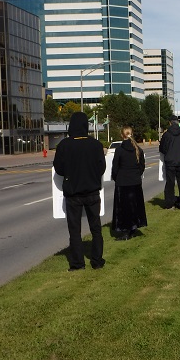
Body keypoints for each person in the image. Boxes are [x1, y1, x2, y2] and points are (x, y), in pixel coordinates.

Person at [53, 111, 106, 271]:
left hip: (73, 193)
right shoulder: (95, 144)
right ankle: (97, 261)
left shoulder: (64, 145)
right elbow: (101, 168)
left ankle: (77, 264)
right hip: (92, 192)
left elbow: (59, 168)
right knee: (96, 228)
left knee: (75, 230)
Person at [111, 126, 147, 241]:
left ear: (122, 135)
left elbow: (115, 167)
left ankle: (125, 230)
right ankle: (134, 227)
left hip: (123, 182)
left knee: (123, 208)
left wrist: (116, 178)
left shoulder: (120, 150)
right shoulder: (138, 149)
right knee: (134, 206)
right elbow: (142, 166)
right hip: (135, 181)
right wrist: (136, 175)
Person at [159, 115, 180, 209]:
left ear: (170, 123)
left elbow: (162, 148)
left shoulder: (166, 134)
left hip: (170, 161)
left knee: (170, 183)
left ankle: (170, 203)